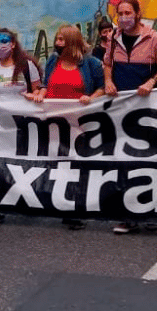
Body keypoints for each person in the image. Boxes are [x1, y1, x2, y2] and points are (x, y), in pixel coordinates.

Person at [103, 0, 157, 234]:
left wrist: (152, 82)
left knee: (148, 159)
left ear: (137, 13)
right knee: (123, 159)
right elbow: (108, 64)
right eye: (120, 13)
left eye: (127, 13)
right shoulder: (112, 38)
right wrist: (108, 81)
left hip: (147, 108)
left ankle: (151, 211)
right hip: (122, 107)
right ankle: (127, 214)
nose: (123, 18)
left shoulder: (154, 38)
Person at [33, 24, 106, 229]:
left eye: (61, 40)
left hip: (79, 123)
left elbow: (102, 87)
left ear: (72, 41)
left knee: (76, 166)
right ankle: (60, 204)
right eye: (57, 39)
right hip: (54, 123)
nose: (57, 43)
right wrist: (40, 93)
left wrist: (90, 97)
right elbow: (46, 84)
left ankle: (75, 209)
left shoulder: (90, 63)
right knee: (56, 163)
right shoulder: (52, 61)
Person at [0, 27, 43, 226]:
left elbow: (39, 90)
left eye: (4, 41)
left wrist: (35, 96)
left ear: (14, 43)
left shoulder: (25, 65)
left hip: (23, 125)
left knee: (24, 165)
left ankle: (31, 202)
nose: (1, 45)